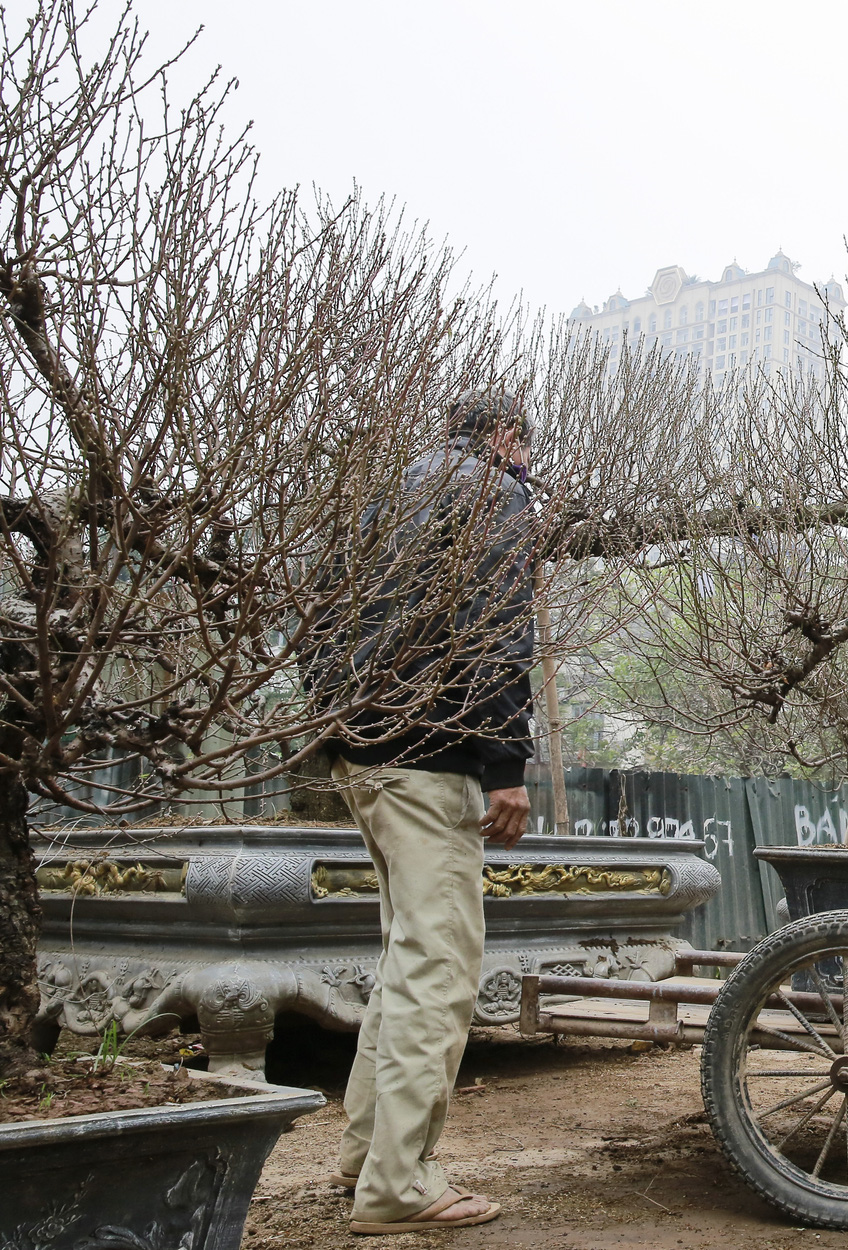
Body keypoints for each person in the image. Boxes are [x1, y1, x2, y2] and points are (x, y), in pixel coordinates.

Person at [321, 391, 539, 1234]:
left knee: (405, 958)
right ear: (506, 436)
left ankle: (363, 1158)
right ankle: (398, 1186)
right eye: (525, 443)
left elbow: (326, 616)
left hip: (359, 753)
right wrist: (504, 765)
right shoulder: (494, 491)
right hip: (428, 755)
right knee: (440, 970)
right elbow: (496, 625)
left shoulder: (389, 490)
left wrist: (337, 730)